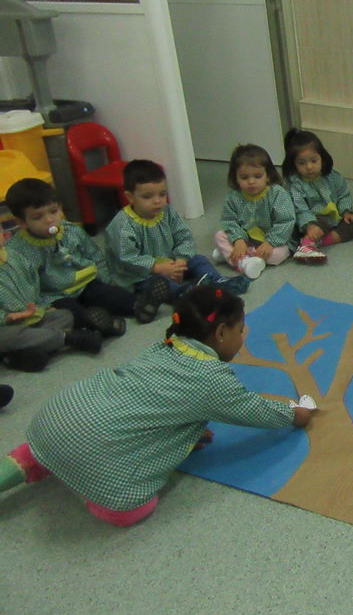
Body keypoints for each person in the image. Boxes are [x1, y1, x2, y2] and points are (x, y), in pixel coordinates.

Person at [0, 286, 314, 526]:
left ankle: (30, 460)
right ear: (220, 333)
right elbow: (252, 410)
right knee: (136, 509)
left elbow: (154, 403)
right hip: (93, 456)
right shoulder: (212, 378)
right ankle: (88, 487)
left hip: (50, 421)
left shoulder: (163, 346)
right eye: (240, 330)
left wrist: (186, 435)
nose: (243, 337)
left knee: (67, 438)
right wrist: (294, 414)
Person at [6, 178, 166, 335]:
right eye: (37, 217)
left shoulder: (71, 230)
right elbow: (26, 285)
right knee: (71, 313)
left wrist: (107, 281)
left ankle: (141, 306)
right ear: (22, 222)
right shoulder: (18, 251)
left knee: (107, 295)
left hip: (85, 282)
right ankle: (103, 324)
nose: (49, 220)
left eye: (54, 211)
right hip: (55, 295)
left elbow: (94, 254)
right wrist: (42, 307)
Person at [105, 160, 249, 298]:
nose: (157, 201)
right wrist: (157, 267)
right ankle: (184, 293)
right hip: (142, 274)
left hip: (172, 262)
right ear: (130, 197)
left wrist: (181, 260)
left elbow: (184, 236)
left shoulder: (167, 212)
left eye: (162, 194)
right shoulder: (123, 225)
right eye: (147, 196)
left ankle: (217, 282)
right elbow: (127, 258)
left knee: (199, 260)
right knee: (157, 285)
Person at [0, 232, 99, 371]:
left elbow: (34, 282)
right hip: (6, 326)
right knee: (5, 337)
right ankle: (66, 338)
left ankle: (19, 354)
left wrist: (42, 306)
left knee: (65, 315)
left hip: (33, 317)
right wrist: (6, 317)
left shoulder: (14, 256)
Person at [214, 144, 295, 279]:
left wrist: (270, 242)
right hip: (247, 240)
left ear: (268, 176)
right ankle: (244, 260)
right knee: (219, 235)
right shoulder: (233, 198)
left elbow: (286, 220)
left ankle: (232, 256)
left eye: (258, 176)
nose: (251, 182)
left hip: (274, 241)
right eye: (244, 177)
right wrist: (238, 240)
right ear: (236, 178)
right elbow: (229, 221)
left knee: (278, 255)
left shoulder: (277, 194)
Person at [282, 129, 353, 265]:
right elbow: (300, 209)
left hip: (332, 218)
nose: (309, 167)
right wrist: (310, 225)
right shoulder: (296, 185)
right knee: (308, 227)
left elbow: (343, 195)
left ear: (322, 158)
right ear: (293, 164)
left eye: (313, 160)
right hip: (311, 221)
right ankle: (307, 243)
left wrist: (346, 212)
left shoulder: (332, 176)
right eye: (302, 163)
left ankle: (315, 242)